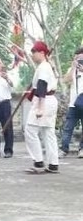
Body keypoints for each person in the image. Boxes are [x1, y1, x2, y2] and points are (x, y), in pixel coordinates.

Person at [25, 41, 60, 174]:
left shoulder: (44, 67)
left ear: (42, 53)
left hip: (44, 101)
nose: (32, 55)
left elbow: (42, 86)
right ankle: (53, 164)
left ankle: (39, 161)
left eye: (34, 52)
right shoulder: (45, 66)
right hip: (49, 100)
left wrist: (40, 107)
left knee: (30, 130)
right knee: (48, 133)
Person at [60, 47, 83, 157]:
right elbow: (65, 80)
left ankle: (82, 149)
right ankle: (64, 149)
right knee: (68, 127)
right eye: (77, 58)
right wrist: (74, 68)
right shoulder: (72, 70)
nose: (79, 60)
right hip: (73, 104)